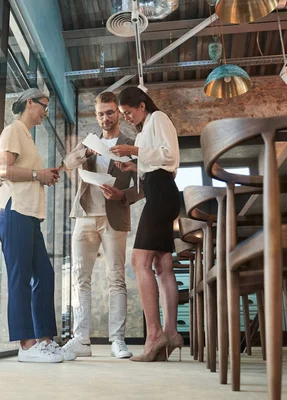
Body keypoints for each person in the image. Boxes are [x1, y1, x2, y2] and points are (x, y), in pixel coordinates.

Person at [0, 88, 76, 363]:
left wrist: (44, 175)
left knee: (44, 274)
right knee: (20, 277)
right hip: (12, 208)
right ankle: (26, 345)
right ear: (30, 103)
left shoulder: (27, 136)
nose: (46, 112)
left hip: (28, 213)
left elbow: (28, 173)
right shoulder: (13, 130)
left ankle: (45, 340)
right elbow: (4, 170)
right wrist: (38, 174)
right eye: (44, 106)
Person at [60, 91, 144, 358]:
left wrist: (124, 196)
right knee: (80, 279)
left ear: (118, 113)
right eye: (100, 113)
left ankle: (117, 340)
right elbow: (67, 164)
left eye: (109, 112)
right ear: (95, 116)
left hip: (114, 216)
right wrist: (86, 150)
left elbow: (143, 184)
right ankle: (81, 340)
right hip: (84, 215)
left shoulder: (131, 143)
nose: (105, 118)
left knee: (116, 279)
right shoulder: (89, 142)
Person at [109, 86, 182, 362]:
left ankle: (154, 335)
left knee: (139, 261)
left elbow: (169, 158)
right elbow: (155, 165)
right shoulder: (146, 128)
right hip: (160, 191)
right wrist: (136, 166)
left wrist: (134, 149)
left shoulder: (158, 118)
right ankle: (171, 332)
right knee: (162, 265)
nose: (126, 117)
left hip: (163, 193)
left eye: (128, 112)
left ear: (141, 105)